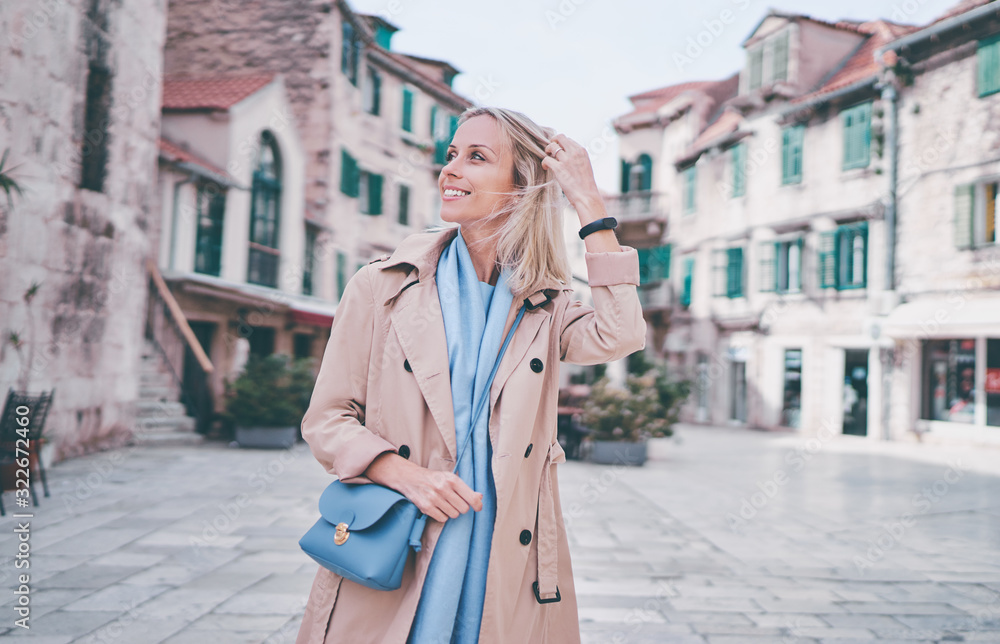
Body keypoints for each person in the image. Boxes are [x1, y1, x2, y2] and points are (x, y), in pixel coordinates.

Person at [295, 106, 646, 644]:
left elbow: (621, 333)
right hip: (401, 535)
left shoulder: (545, 304)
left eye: (477, 157)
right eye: (452, 154)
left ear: (520, 186)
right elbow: (327, 420)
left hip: (505, 551)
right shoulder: (381, 286)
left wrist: (589, 204)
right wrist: (405, 474)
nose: (451, 169)